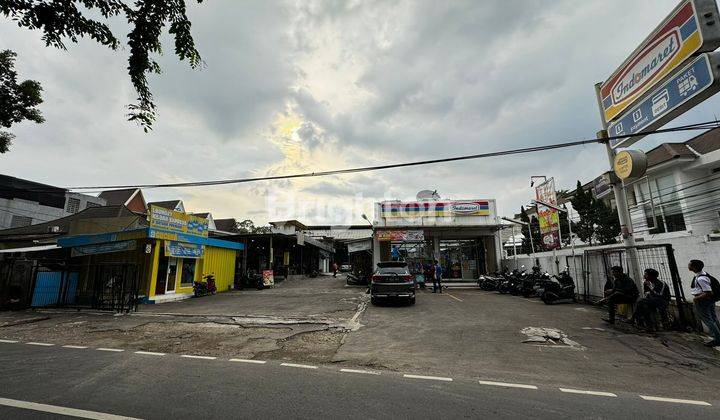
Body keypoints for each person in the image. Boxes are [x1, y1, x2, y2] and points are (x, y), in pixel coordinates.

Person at [688, 260, 720, 347]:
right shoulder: (703, 274)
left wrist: (696, 298)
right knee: (713, 318)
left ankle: (717, 339)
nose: (688, 266)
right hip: (708, 300)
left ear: (694, 267)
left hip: (703, 301)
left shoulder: (701, 278)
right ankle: (718, 336)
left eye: (690, 264)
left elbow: (708, 292)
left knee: (708, 320)